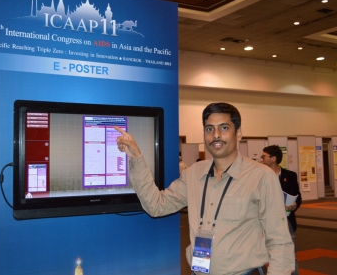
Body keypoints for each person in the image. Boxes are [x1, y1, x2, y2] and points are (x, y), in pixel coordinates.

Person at [115, 102, 294, 275]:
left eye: (224, 128)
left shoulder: (261, 176)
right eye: (209, 129)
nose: (216, 135)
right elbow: (156, 205)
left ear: (238, 133)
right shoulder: (194, 174)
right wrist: (136, 158)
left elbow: (280, 241)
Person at [261, 145, 302, 275]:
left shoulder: (289, 175)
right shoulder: (259, 175)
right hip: (264, 221)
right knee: (262, 255)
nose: (261, 159)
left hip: (286, 220)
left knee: (290, 255)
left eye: (264, 156)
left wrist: (295, 205)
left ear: (273, 158)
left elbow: (297, 196)